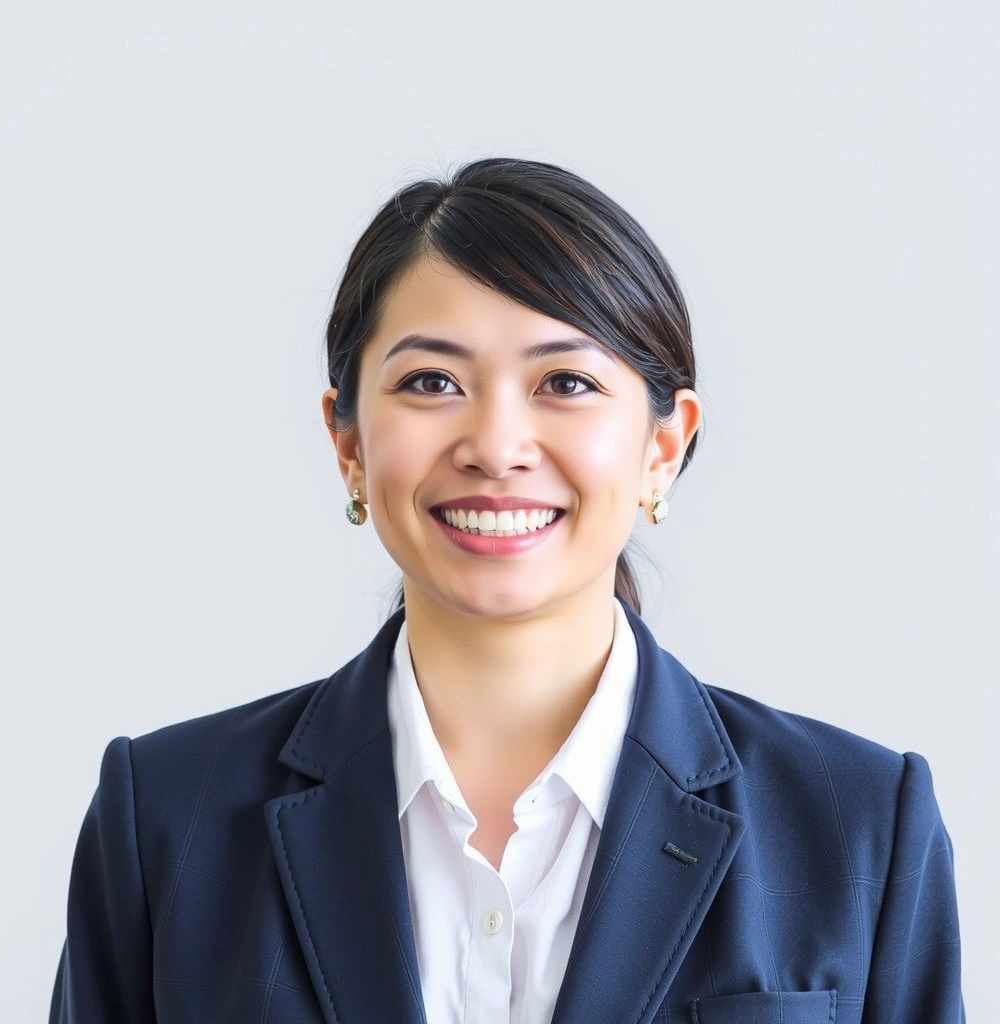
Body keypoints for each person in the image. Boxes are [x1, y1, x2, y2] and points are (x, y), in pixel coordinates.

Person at [49, 158, 964, 1023]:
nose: (496, 444)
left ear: (663, 445)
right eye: (431, 381)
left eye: (564, 382)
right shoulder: (168, 820)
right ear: (349, 443)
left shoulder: (858, 827)